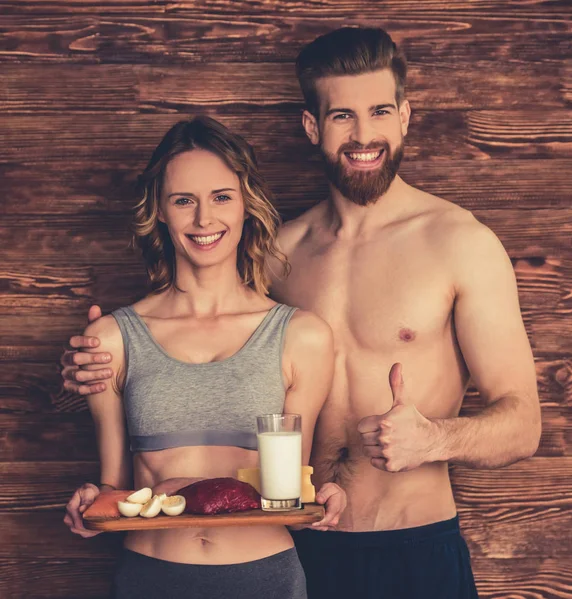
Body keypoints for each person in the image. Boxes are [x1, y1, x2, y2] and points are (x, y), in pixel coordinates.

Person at [62, 27, 542, 599]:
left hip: (408, 545)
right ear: (313, 126)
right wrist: (95, 365)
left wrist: (434, 439)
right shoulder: (274, 255)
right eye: (342, 116)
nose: (363, 135)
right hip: (291, 545)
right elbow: (194, 339)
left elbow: (523, 424)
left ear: (406, 116)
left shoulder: (459, 243)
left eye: (380, 111)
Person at [62, 116, 346, 599]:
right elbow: (115, 488)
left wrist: (323, 497)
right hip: (151, 577)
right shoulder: (111, 339)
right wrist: (94, 501)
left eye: (221, 197)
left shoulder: (302, 336)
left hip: (265, 577)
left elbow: (291, 495)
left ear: (245, 206)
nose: (203, 219)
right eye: (183, 201)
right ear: (160, 212)